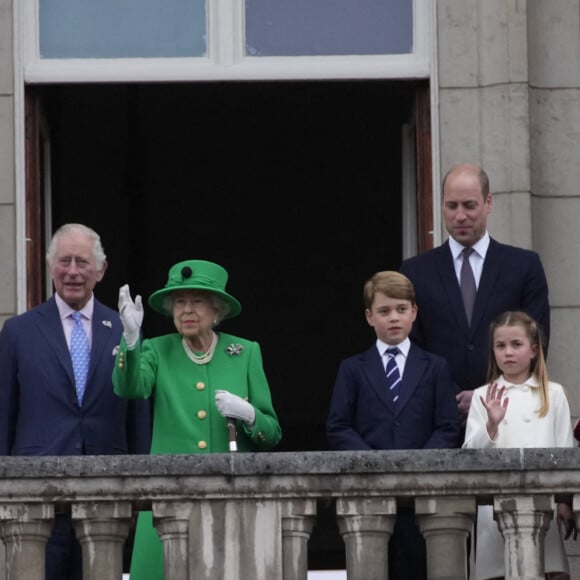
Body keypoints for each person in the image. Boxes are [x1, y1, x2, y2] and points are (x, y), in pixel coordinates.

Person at [113, 258, 282, 580]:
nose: (186, 310)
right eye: (179, 302)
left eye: (197, 302)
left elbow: (271, 433)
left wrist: (249, 415)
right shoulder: (158, 350)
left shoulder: (244, 352)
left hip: (229, 501)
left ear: (216, 310)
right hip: (168, 499)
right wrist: (131, 341)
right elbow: (130, 388)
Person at [0, 223, 151, 580]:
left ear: (100, 270)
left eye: (82, 262)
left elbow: (137, 416)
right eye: (64, 261)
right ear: (51, 266)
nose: (72, 271)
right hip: (36, 499)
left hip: (107, 497)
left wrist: (141, 491)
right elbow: (4, 415)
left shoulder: (125, 329)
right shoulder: (19, 332)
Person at [400, 163, 550, 438]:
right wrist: (450, 397)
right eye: (451, 206)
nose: (460, 216)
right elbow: (411, 348)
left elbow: (537, 342)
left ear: (488, 202)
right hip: (436, 424)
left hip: (509, 418)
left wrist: (485, 396)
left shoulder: (523, 266)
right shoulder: (415, 272)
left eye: (469, 205)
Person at [326, 270, 459, 580]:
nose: (394, 318)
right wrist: (374, 462)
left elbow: (447, 426)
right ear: (369, 317)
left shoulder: (436, 366)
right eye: (384, 311)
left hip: (421, 501)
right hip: (369, 496)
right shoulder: (352, 369)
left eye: (401, 309)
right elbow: (338, 426)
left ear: (414, 312)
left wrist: (419, 464)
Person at [463, 311, 576, 579]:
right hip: (494, 514)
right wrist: (491, 425)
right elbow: (468, 456)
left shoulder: (554, 394)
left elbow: (565, 450)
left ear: (534, 350)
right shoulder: (482, 395)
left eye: (517, 345)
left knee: (544, 568)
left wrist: (564, 502)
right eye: (500, 346)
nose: (508, 353)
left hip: (542, 507)